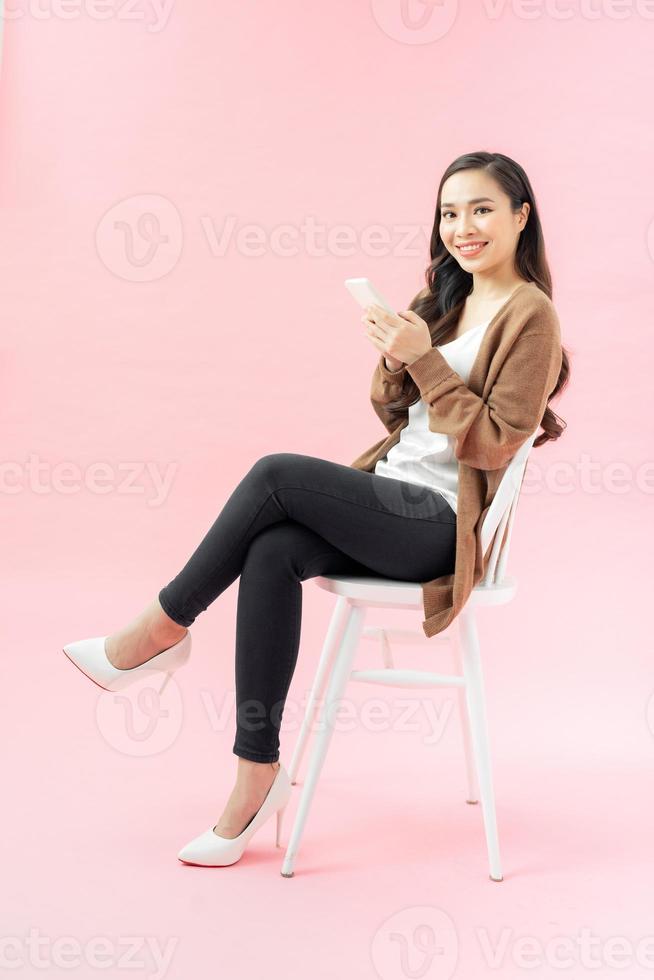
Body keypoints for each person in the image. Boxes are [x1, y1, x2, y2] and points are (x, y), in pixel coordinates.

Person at [62, 150, 569, 868]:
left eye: (482, 209)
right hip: (393, 500)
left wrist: (423, 360)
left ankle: (161, 627)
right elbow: (400, 415)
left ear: (521, 217)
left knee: (274, 473)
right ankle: (254, 780)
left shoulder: (532, 316)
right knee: (272, 552)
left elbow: (490, 444)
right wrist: (397, 360)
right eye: (450, 213)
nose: (463, 227)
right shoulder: (445, 301)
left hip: (438, 526)